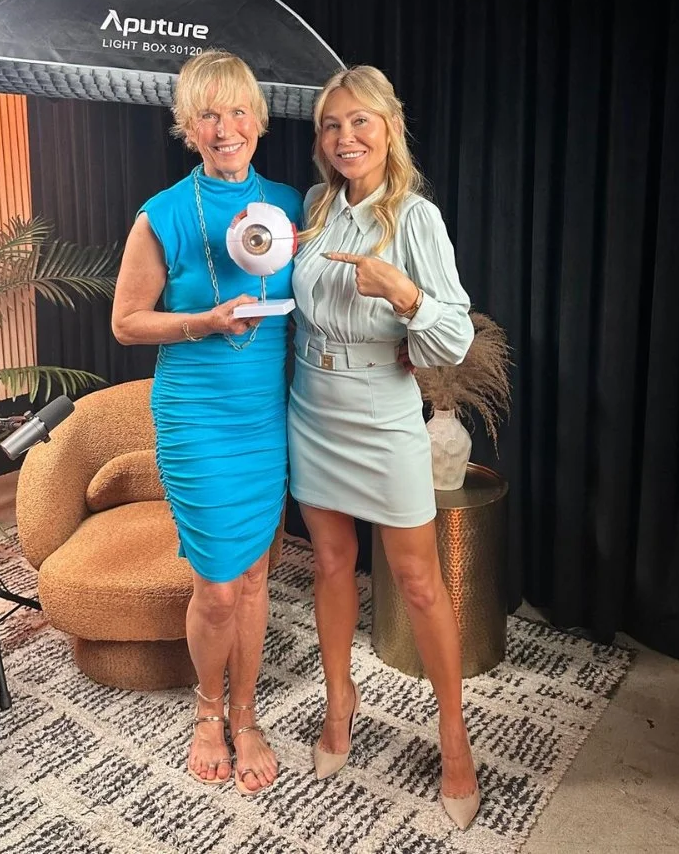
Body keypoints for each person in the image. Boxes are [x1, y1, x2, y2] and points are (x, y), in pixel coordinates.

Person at [289, 65, 481, 829]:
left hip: (382, 411)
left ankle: (454, 734)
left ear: (390, 128)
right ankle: (341, 702)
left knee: (420, 582)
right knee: (332, 563)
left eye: (360, 122)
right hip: (311, 403)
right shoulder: (313, 207)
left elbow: (456, 335)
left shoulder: (417, 221)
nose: (345, 138)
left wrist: (404, 295)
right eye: (332, 126)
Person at [111, 50, 302, 796]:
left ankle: (247, 713)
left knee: (255, 576)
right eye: (208, 114)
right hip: (196, 416)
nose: (226, 128)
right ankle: (206, 706)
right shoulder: (163, 214)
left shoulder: (288, 203)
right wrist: (203, 323)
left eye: (237, 111)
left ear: (258, 119)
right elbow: (127, 323)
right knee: (218, 585)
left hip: (263, 417)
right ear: (188, 126)